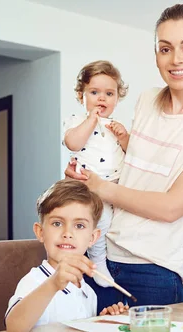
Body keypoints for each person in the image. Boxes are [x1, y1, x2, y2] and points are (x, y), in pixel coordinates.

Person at [65, 3, 183, 309]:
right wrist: (84, 174)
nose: (176, 59)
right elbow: (130, 165)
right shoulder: (146, 101)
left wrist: (100, 187)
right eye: (165, 49)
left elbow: (172, 207)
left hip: (154, 271)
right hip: (99, 256)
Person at [5, 180, 128, 332]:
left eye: (79, 226)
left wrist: (104, 323)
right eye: (57, 223)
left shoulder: (89, 293)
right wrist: (53, 284)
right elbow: (14, 329)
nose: (67, 233)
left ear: (93, 237)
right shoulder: (35, 281)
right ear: (40, 232)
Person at [62, 60, 129, 287]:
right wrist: (91, 120)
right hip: (88, 185)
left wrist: (123, 137)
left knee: (113, 225)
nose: (102, 98)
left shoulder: (115, 126)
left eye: (109, 93)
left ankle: (104, 257)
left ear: (117, 98)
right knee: (101, 220)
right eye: (94, 92)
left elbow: (132, 155)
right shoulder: (77, 121)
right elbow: (73, 143)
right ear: (81, 95)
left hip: (115, 186)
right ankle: (98, 260)